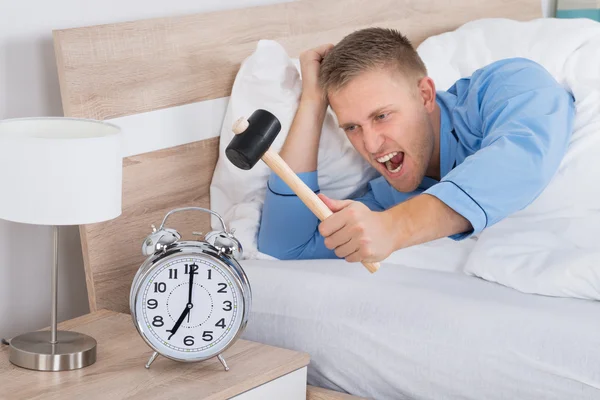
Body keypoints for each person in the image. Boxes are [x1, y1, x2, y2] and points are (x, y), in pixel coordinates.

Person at [257, 27, 575, 264]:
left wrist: (394, 228)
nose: (369, 144)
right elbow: (286, 248)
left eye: (382, 116)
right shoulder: (386, 197)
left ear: (424, 95)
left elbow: (520, 159)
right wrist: (313, 102)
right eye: (352, 127)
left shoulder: (507, 84)